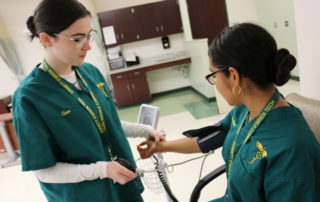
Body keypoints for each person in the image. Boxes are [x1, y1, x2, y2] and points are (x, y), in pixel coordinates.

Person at [138, 23, 320, 202]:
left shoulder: (292, 150)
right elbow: (206, 140)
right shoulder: (242, 113)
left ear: (234, 76)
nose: (214, 82)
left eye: (213, 75)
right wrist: (161, 147)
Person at [12, 0, 164, 201]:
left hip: (123, 185)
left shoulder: (91, 73)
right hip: (85, 195)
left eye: (89, 35)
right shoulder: (29, 96)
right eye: (77, 39)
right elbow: (44, 171)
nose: (88, 46)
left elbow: (106, 123)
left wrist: (144, 131)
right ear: (47, 39)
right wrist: (103, 170)